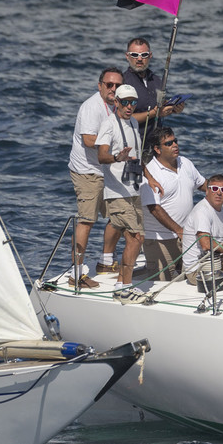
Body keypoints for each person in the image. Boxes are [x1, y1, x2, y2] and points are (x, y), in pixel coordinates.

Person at [66, 66, 125, 288]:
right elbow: (89, 140)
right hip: (88, 172)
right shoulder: (92, 107)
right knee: (87, 221)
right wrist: (114, 146)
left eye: (117, 85)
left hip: (107, 170)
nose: (113, 89)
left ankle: (106, 262)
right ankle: (76, 274)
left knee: (120, 215)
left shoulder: (115, 105)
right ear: (100, 85)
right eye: (109, 85)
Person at [96, 84, 145, 292]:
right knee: (136, 237)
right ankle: (125, 286)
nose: (129, 107)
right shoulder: (109, 125)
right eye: (125, 102)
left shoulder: (133, 122)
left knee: (131, 235)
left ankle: (119, 281)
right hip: (117, 193)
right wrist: (117, 157)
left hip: (133, 190)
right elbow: (101, 155)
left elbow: (137, 157)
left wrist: (150, 179)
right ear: (116, 102)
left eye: (133, 103)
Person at [139, 127, 205, 281]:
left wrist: (220, 188)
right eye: (169, 143)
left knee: (193, 279)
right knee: (162, 284)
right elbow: (154, 208)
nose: (175, 145)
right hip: (159, 240)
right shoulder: (151, 173)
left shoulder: (185, 163)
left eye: (175, 141)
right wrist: (179, 230)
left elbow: (201, 183)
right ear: (157, 149)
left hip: (186, 236)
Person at [121, 37, 184, 144]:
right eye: (135, 55)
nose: (139, 59)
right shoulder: (123, 83)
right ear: (127, 56)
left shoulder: (157, 80)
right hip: (132, 146)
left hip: (156, 145)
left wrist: (174, 109)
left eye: (144, 55)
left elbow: (159, 109)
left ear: (150, 55)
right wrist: (155, 113)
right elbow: (124, 118)